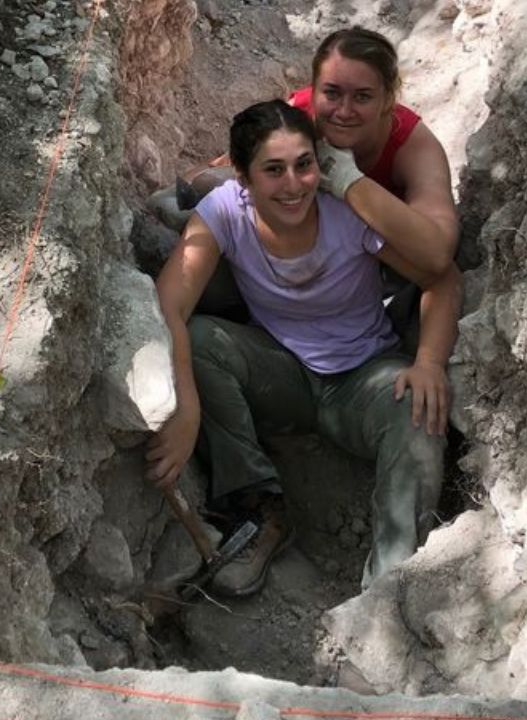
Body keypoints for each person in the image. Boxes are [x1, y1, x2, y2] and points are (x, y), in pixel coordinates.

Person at [145, 99, 459, 597]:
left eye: (304, 165)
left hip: (364, 377)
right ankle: (259, 508)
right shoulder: (225, 209)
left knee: (419, 413)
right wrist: (185, 408)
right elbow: (170, 305)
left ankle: (386, 595)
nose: (294, 185)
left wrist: (429, 363)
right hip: (281, 373)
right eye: (273, 170)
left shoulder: (346, 210)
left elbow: (440, 277)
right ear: (244, 179)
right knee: (202, 340)